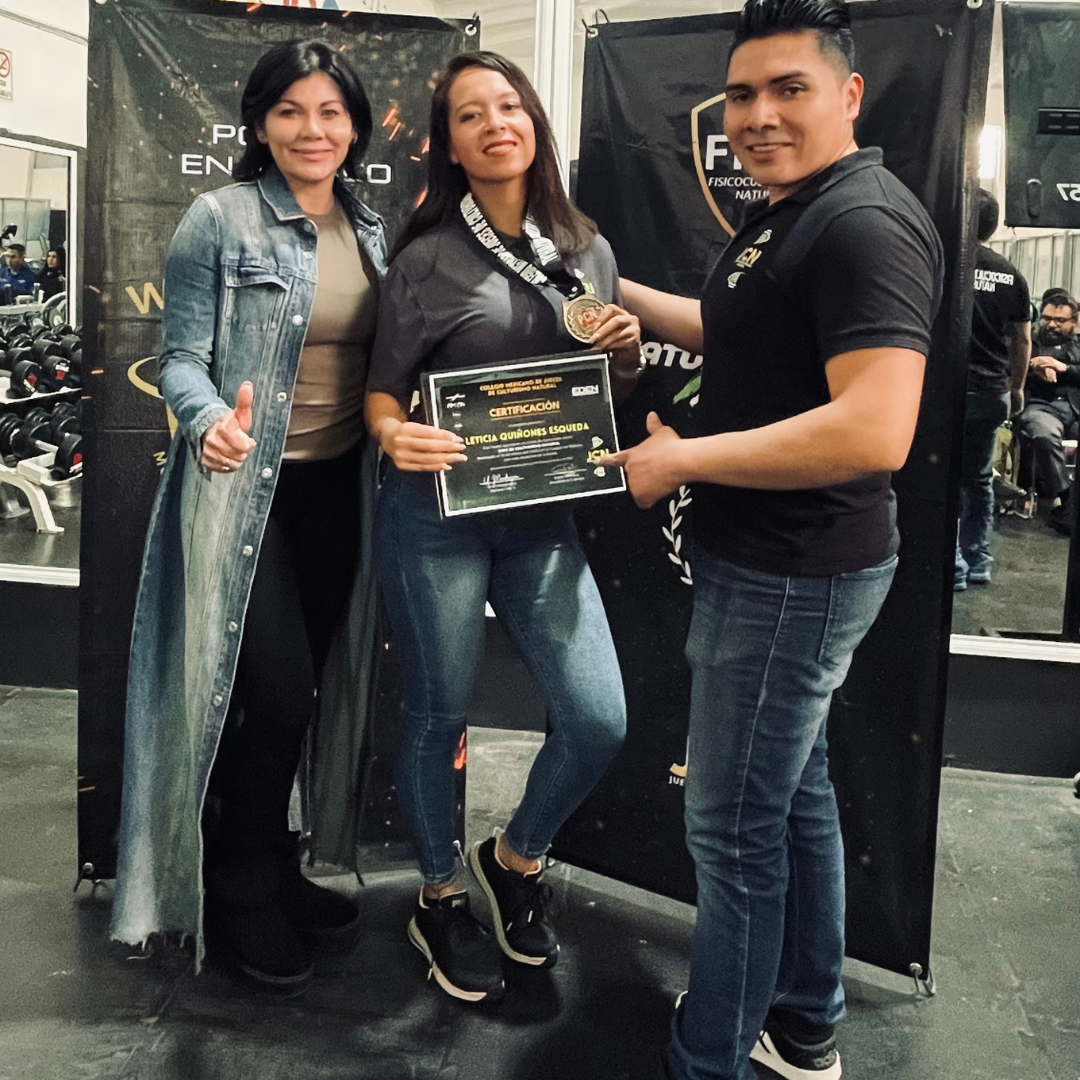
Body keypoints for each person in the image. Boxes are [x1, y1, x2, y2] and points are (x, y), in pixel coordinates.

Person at [604, 0, 944, 1076]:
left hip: (792, 573)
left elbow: (875, 429)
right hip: (775, 562)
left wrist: (685, 460)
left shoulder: (861, 224)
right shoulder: (796, 211)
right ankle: (804, 1022)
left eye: (789, 89)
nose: (759, 115)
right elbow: (740, 331)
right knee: (793, 798)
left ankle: (711, 1057)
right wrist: (606, 286)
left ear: (849, 95)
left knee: (733, 829)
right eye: (743, 94)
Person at [110, 40, 387, 996]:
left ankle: (270, 857)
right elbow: (180, 359)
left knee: (302, 688)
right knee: (273, 690)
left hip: (337, 492)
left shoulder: (370, 227)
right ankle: (235, 885)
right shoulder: (219, 219)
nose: (313, 130)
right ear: (260, 124)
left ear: (354, 126)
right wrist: (206, 423)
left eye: (331, 112)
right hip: (241, 491)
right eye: (290, 112)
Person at [365, 50, 639, 1004]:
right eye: (471, 114)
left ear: (534, 122)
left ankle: (513, 859)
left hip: (542, 522)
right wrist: (394, 434)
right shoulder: (425, 258)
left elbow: (599, 394)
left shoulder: (588, 251)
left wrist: (625, 353)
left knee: (599, 718)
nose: (495, 124)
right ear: (448, 144)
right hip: (435, 518)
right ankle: (438, 894)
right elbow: (381, 393)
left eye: (509, 106)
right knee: (439, 714)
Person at [954, 189, 1030, 591]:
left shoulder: (948, 264)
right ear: (994, 225)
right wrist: (1016, 388)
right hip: (991, 391)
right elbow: (1022, 339)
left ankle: (951, 566)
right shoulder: (1011, 273)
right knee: (980, 478)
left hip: (951, 391)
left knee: (944, 476)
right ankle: (977, 559)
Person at [1014, 296, 1080, 535]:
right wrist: (1036, 366)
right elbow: (1012, 368)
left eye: (1060, 320)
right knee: (1044, 434)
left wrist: (1063, 368)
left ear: (1074, 322)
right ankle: (1067, 498)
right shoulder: (1028, 341)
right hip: (1041, 407)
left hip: (1075, 408)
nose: (1051, 324)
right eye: (1047, 318)